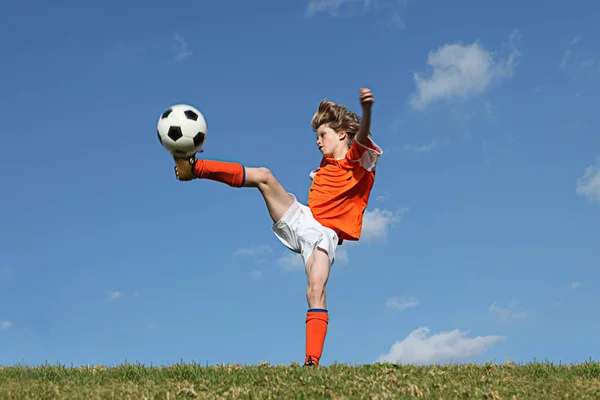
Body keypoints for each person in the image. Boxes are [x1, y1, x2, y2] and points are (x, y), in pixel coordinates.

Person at [173, 88, 383, 366]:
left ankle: (311, 362)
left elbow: (364, 134)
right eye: (316, 137)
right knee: (264, 176)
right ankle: (194, 168)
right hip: (302, 218)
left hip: (323, 234)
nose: (318, 143)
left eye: (323, 136)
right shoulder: (327, 162)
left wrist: (366, 111)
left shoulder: (357, 159)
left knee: (315, 288)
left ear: (342, 134)